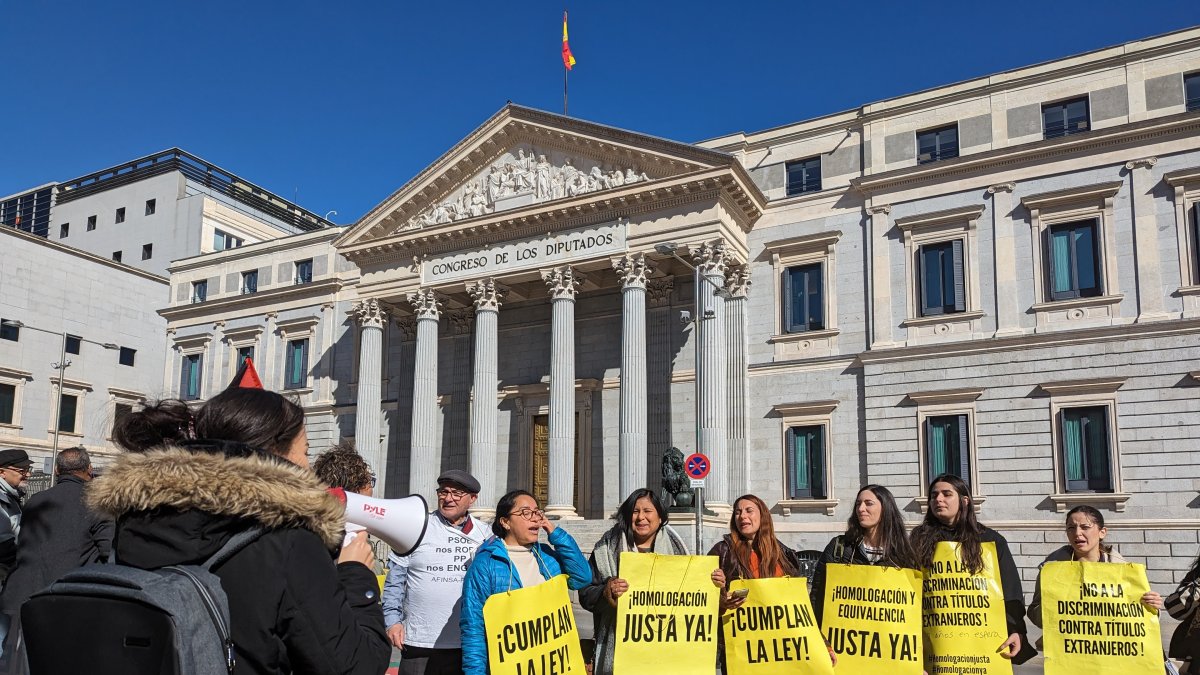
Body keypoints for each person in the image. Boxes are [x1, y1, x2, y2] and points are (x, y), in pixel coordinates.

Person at [88, 389, 390, 675]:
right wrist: (355, 574)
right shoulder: (288, 541)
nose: (309, 468)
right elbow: (357, 666)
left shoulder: (137, 520)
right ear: (276, 454)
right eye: (305, 452)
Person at [460, 490, 591, 675]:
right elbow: (473, 629)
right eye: (525, 513)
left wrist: (554, 532)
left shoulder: (547, 556)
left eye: (537, 512)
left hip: (552, 664)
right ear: (505, 522)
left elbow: (582, 577)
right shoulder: (485, 565)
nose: (535, 518)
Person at [910, 474, 1029, 662]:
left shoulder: (990, 539)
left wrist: (1016, 630)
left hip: (982, 643)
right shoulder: (918, 539)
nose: (938, 499)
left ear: (964, 500)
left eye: (946, 494)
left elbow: (1010, 589)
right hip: (934, 642)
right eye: (933, 495)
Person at [382, 469, 489, 675]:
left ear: (472, 498)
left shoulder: (486, 534)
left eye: (456, 493)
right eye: (443, 492)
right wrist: (392, 621)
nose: (448, 499)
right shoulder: (415, 529)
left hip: (467, 643)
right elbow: (395, 580)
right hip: (419, 643)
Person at [580, 489, 689, 675]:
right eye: (635, 511)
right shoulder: (605, 548)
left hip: (665, 648)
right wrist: (606, 592)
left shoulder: (677, 549)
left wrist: (713, 583)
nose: (641, 517)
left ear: (660, 517)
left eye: (647, 511)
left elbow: (692, 596)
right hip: (618, 648)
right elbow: (586, 593)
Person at [708, 495, 824, 666]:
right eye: (738, 512)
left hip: (779, 648)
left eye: (749, 511)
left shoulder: (785, 555)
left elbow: (800, 608)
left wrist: (823, 645)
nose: (742, 516)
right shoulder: (722, 551)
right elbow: (703, 600)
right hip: (741, 650)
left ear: (763, 515)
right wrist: (721, 596)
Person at [0, 448, 113, 617]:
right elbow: (109, 552)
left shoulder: (36, 499)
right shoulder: (97, 503)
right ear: (89, 469)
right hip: (70, 598)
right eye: (22, 470)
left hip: (23, 597)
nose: (27, 474)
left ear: (56, 470)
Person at [1027, 506, 1163, 640]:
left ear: (1102, 532)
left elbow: (1140, 620)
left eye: (1085, 527)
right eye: (1071, 528)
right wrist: (1053, 603)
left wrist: (1152, 607)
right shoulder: (1051, 569)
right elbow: (1034, 614)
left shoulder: (1125, 571)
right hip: (1066, 648)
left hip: (1111, 648)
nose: (1077, 533)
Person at [810, 484, 918, 625]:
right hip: (843, 634)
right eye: (858, 504)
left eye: (869, 503)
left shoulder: (904, 553)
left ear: (886, 508)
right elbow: (817, 597)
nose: (861, 509)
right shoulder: (839, 547)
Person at [0, 450, 32, 587]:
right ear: (2, 472)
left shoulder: (11, 495)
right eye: (22, 471)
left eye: (28, 469)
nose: (28, 474)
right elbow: (4, 547)